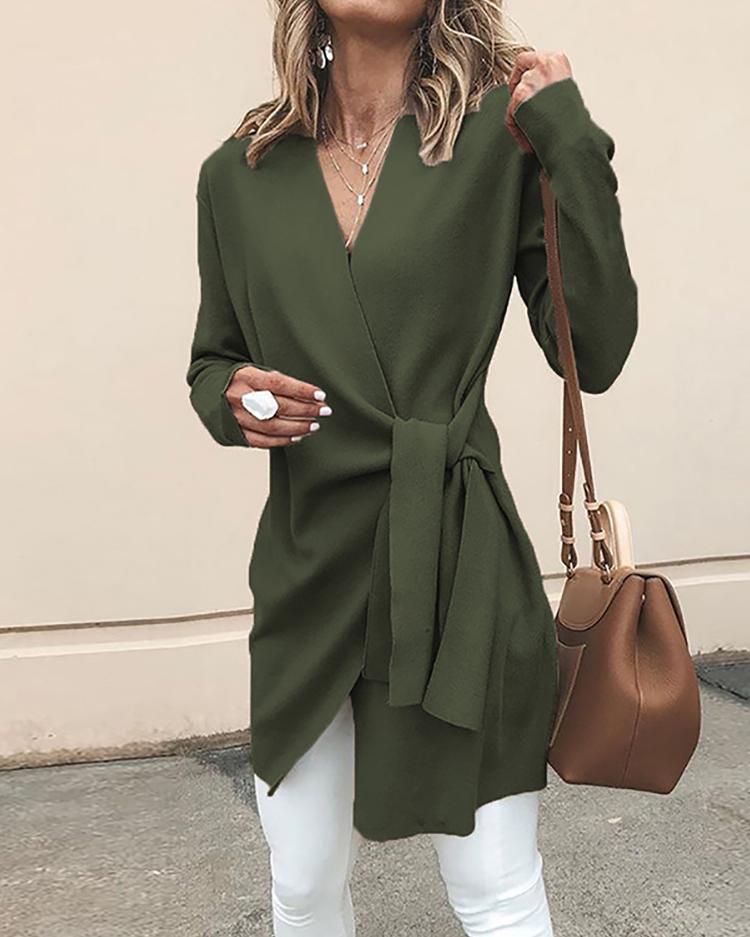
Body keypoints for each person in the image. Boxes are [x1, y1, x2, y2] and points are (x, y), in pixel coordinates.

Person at [185, 1, 638, 934]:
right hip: (310, 566)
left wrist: (572, 143)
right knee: (302, 880)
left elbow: (594, 347)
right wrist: (233, 396)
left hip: (456, 563)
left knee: (495, 887)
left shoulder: (500, 135)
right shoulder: (239, 173)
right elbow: (212, 358)